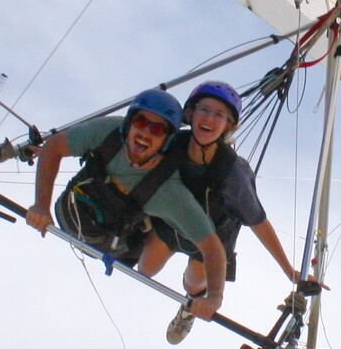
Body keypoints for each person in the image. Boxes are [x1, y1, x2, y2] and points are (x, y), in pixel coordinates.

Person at [26, 88, 229, 322]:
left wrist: (215, 297)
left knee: (148, 269)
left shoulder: (167, 191)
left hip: (113, 245)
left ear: (166, 140)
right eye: (140, 122)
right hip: (69, 212)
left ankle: (189, 284)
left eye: (157, 129)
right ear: (129, 123)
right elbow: (53, 147)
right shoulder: (107, 132)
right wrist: (41, 205)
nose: (145, 132)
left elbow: (212, 247)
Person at [136, 80, 297, 344]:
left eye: (219, 115)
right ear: (189, 114)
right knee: (145, 268)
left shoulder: (233, 173)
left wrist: (288, 270)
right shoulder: (170, 144)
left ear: (227, 127)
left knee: (194, 282)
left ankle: (190, 306)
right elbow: (128, 140)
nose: (210, 118)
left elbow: (259, 222)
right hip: (174, 224)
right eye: (204, 110)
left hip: (211, 239)